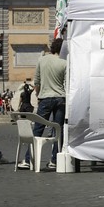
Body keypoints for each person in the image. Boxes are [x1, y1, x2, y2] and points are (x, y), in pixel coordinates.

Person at [17, 38, 66, 170]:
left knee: (38, 128)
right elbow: (66, 83)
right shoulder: (65, 63)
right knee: (58, 129)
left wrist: (39, 95)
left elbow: (37, 82)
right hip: (61, 98)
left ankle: (29, 159)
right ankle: (54, 160)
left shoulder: (41, 60)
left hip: (45, 98)